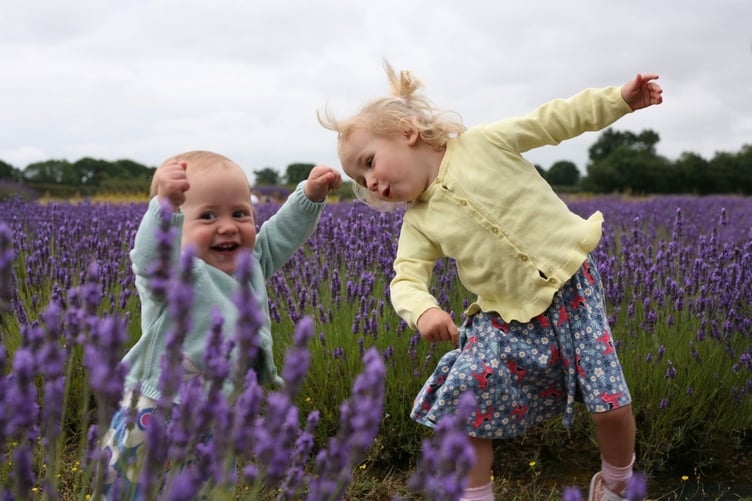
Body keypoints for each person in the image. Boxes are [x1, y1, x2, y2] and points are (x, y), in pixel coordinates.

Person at [319, 62, 662, 501]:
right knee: (466, 406)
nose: (370, 183)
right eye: (360, 180)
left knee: (609, 404)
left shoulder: (484, 143)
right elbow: (404, 277)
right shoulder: (418, 222)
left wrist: (618, 101)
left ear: (407, 131)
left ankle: (616, 483)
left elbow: (553, 120)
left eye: (369, 163)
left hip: (571, 292)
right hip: (505, 319)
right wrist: (423, 310)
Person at [98, 150, 341, 497]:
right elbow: (150, 258)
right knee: (133, 489)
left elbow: (279, 235)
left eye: (240, 214)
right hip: (158, 411)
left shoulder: (250, 265)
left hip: (218, 415)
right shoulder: (175, 276)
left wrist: (309, 196)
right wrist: (163, 209)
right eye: (208, 215)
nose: (228, 226)